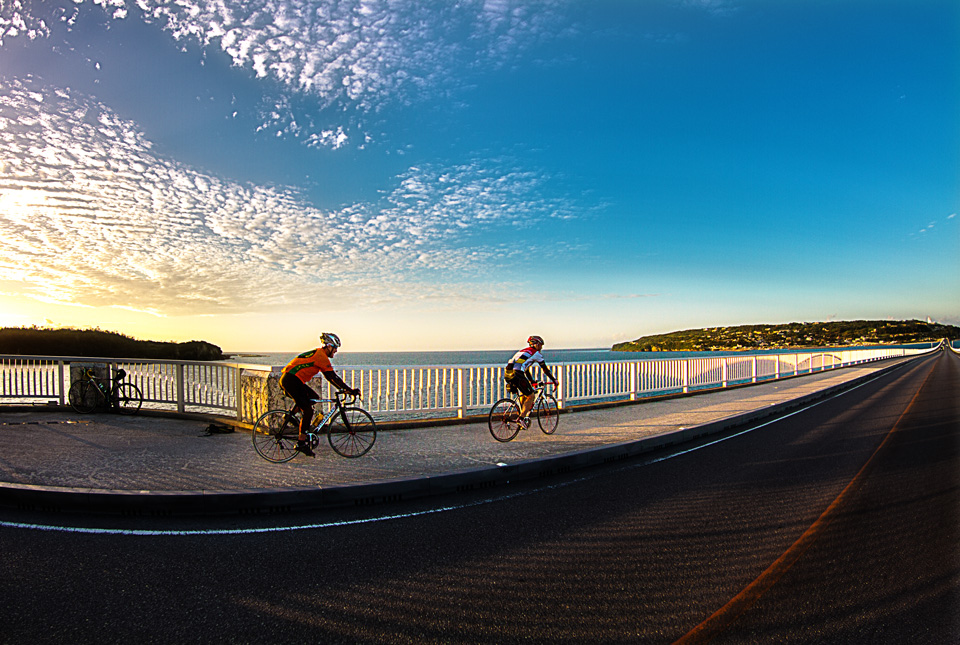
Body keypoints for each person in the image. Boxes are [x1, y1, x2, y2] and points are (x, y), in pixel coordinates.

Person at [280, 332, 360, 457]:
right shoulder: (321, 357)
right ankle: (301, 442)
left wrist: (346, 389)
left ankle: (290, 417)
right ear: (328, 346)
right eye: (334, 348)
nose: (335, 351)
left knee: (314, 398)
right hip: (291, 380)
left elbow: (331, 377)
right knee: (308, 411)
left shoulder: (319, 353)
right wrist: (349, 390)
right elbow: (332, 377)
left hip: (292, 379)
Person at [504, 335, 557, 429]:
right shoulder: (536, 353)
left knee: (524, 394)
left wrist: (531, 380)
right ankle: (521, 418)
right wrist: (554, 380)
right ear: (536, 345)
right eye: (540, 345)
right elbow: (545, 369)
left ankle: (521, 415)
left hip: (508, 374)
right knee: (531, 396)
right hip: (517, 374)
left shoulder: (522, 351)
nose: (541, 348)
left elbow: (526, 369)